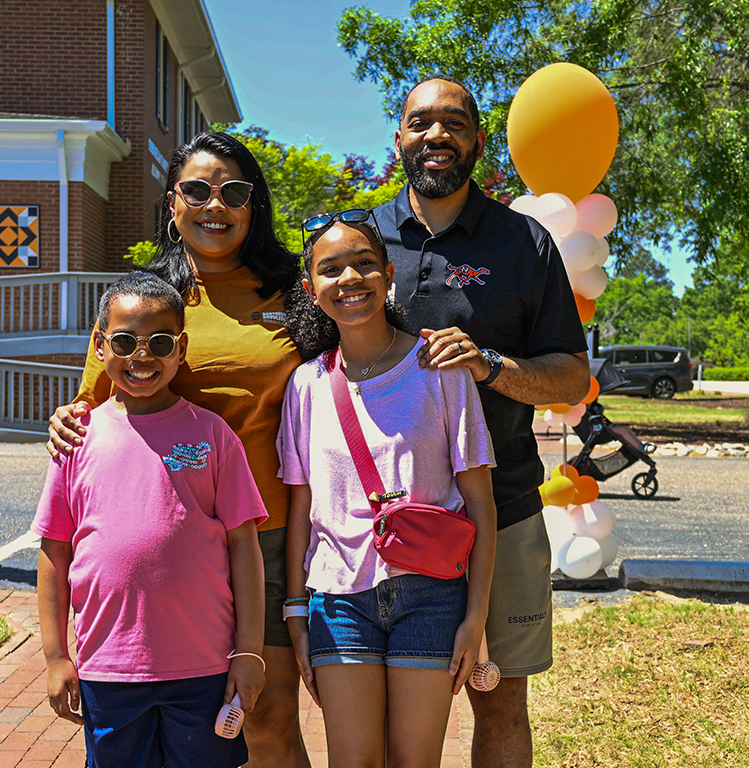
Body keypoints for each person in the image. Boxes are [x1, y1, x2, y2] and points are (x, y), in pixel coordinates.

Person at [47, 132, 312, 767]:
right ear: (172, 203)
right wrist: (61, 420)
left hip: (266, 536)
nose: (214, 205)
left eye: (233, 191)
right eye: (196, 190)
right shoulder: (146, 301)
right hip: (166, 542)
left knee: (267, 719)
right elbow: (89, 409)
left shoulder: (293, 294)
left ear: (255, 204)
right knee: (181, 730)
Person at [377, 75, 591, 768]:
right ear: (400, 136)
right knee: (395, 709)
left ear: (476, 140)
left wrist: (491, 365)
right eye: (422, 122)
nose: (437, 134)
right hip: (383, 522)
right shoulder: (361, 239)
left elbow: (570, 375)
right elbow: (297, 358)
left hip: (504, 510)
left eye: (455, 122)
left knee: (500, 702)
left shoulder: (523, 243)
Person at [279, 212, 498, 768]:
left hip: (430, 595)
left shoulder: (439, 366)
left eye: (364, 264)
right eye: (331, 269)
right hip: (337, 600)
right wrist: (296, 613)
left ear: (388, 275)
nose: (349, 278)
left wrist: (476, 617)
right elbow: (301, 510)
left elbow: (480, 505)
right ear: (311, 288)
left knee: (413, 761)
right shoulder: (305, 385)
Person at [34, 272, 267, 767]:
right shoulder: (76, 439)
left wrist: (249, 651)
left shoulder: (213, 434)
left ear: (181, 349)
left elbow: (244, 545)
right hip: (109, 668)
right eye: (124, 340)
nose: (143, 355)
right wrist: (56, 657)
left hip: (204, 665)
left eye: (160, 342)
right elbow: (55, 550)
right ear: (100, 345)